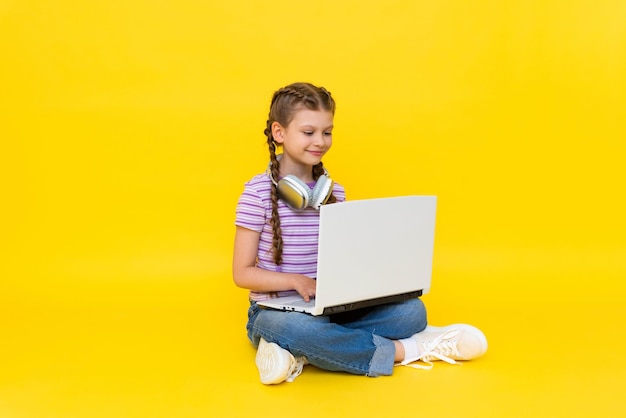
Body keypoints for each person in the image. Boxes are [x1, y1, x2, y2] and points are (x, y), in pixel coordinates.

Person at [232, 82, 487, 385]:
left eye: (327, 132)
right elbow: (242, 273)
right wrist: (294, 281)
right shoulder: (257, 194)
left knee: (412, 313)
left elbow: (345, 260)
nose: (320, 141)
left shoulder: (334, 193)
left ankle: (296, 353)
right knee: (295, 329)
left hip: (328, 310)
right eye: (309, 132)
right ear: (279, 133)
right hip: (276, 313)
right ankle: (407, 350)